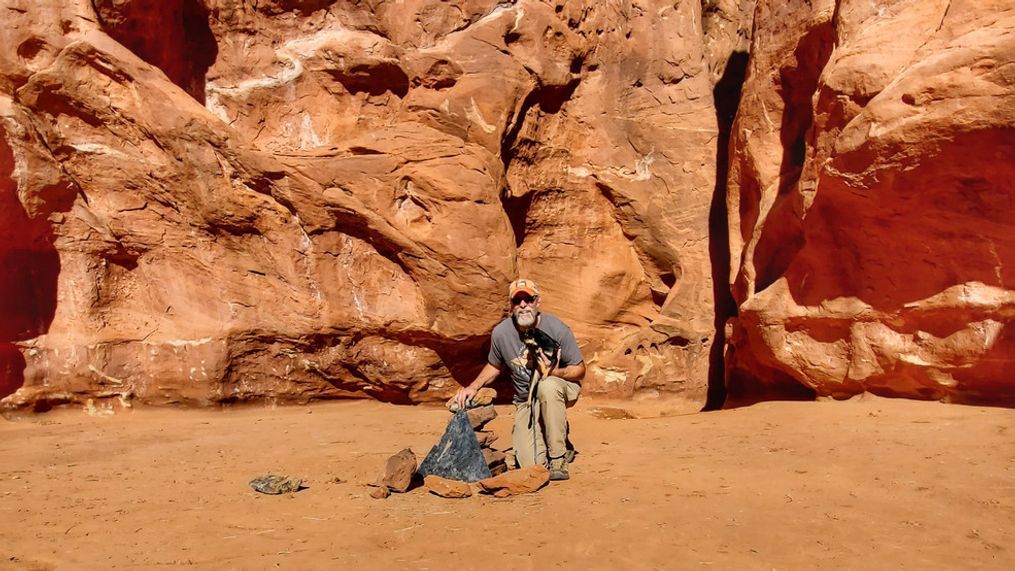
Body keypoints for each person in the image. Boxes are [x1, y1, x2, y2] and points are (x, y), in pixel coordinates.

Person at [454, 278, 586, 481]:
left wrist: (554, 372)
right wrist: (473, 387)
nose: (523, 305)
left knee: (547, 387)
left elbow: (580, 370)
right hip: (527, 399)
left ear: (537, 302)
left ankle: (559, 457)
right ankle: (554, 431)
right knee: (531, 465)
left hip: (561, 387)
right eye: (517, 301)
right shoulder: (501, 333)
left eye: (528, 299)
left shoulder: (557, 328)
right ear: (511, 306)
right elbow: (494, 365)